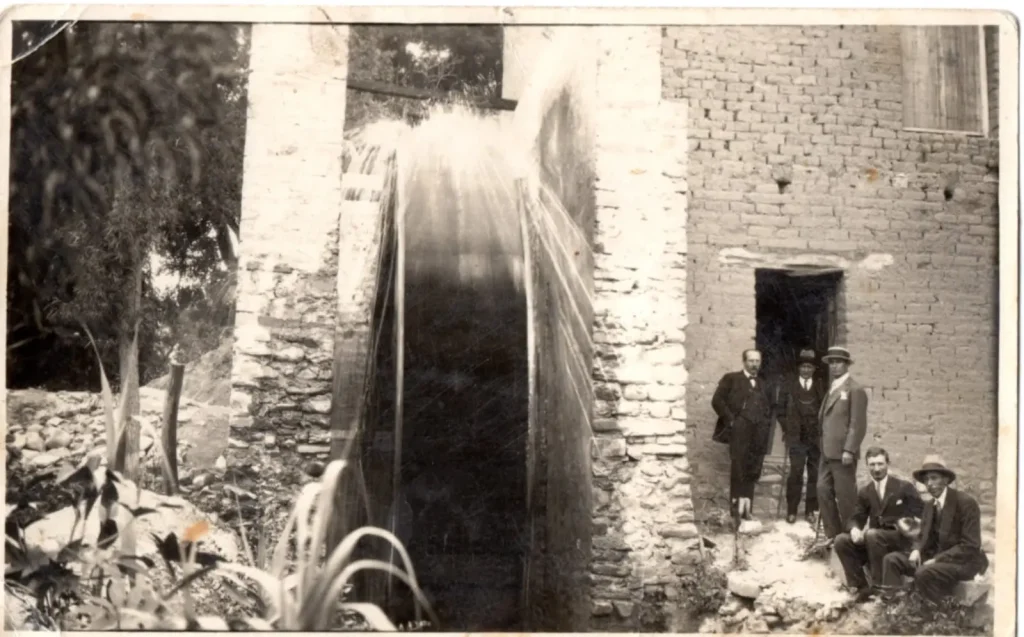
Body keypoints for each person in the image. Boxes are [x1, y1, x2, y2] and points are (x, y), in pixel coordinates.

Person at [880, 456, 989, 602]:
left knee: (924, 572)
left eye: (934, 478)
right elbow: (922, 536)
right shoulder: (930, 505)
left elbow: (970, 546)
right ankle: (891, 606)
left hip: (963, 563)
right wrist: (917, 550)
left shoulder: (965, 503)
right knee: (892, 559)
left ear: (945, 480)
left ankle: (934, 616)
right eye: (926, 480)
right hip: (935, 560)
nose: (929, 484)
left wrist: (937, 559)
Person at [832, 447, 923, 601]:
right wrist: (854, 529)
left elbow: (924, 517)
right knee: (841, 540)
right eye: (872, 465)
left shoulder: (903, 487)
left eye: (880, 464)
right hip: (874, 541)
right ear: (867, 466)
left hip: (900, 540)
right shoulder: (865, 492)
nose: (877, 469)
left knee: (873, 534)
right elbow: (856, 516)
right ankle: (860, 587)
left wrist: (917, 546)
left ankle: (880, 588)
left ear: (888, 464)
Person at [711, 349, 774, 524]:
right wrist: (731, 421)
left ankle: (747, 511)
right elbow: (717, 401)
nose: (755, 364)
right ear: (744, 362)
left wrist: (764, 424)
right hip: (740, 431)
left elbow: (769, 407)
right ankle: (735, 512)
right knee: (738, 468)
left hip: (758, 433)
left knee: (752, 469)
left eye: (757, 361)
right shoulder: (731, 379)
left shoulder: (763, 383)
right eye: (751, 361)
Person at [816, 345, 869, 544]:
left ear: (847, 365)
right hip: (827, 452)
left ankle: (851, 535)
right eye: (832, 362)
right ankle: (833, 534)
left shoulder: (855, 390)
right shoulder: (833, 388)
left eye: (838, 362)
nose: (834, 366)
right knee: (822, 489)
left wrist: (849, 448)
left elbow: (858, 423)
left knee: (845, 495)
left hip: (843, 453)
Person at [777, 348, 825, 524]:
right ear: (799, 368)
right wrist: (787, 427)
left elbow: (826, 409)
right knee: (796, 472)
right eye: (803, 366)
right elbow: (779, 410)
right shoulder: (789, 385)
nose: (806, 370)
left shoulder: (820, 386)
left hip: (815, 438)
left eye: (809, 367)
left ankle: (810, 510)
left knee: (814, 474)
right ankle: (791, 511)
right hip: (796, 438)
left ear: (814, 369)